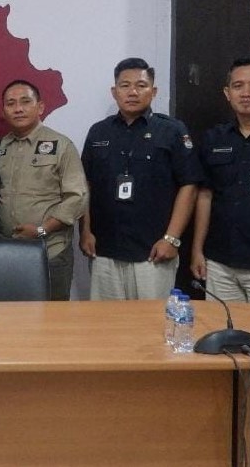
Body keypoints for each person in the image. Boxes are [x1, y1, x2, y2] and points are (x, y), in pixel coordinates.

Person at [80, 57, 202, 300]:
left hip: (153, 251)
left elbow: (189, 186)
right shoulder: (98, 131)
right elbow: (86, 186)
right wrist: (85, 231)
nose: (133, 92)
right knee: (105, 320)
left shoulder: (172, 130)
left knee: (152, 320)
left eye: (141, 85)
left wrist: (171, 239)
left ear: (153, 92)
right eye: (125, 85)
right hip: (104, 250)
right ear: (114, 92)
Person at [0, 79, 87, 300]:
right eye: (11, 103)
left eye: (25, 101)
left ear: (40, 107)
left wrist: (42, 230)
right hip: (6, 253)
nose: (18, 109)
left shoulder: (61, 145)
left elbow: (77, 197)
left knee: (51, 318)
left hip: (50, 251)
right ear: (4, 111)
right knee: (8, 316)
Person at [191, 57, 250, 304]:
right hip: (220, 262)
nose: (246, 93)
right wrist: (197, 249)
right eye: (238, 86)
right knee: (222, 326)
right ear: (228, 94)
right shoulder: (214, 138)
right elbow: (205, 196)